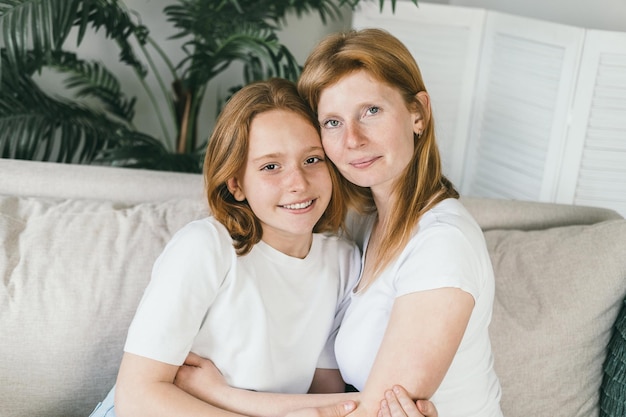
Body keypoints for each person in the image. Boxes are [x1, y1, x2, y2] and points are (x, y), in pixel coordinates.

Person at [174, 28, 502, 417]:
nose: (353, 139)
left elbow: (372, 412)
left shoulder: (443, 244)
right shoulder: (364, 224)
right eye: (332, 122)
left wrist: (219, 393)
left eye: (371, 111)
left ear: (418, 113)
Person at [88, 77, 428, 417]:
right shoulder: (206, 247)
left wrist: (377, 408)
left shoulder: (343, 260)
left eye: (312, 160)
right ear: (236, 184)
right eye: (270, 167)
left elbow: (325, 396)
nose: (297, 183)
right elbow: (137, 396)